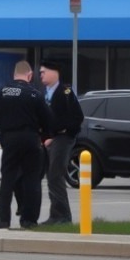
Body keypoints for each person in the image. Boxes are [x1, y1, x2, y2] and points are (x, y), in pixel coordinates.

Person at [0, 60, 53, 229]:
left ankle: (4, 219)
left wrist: (2, 123)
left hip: (9, 139)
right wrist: (43, 136)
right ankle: (29, 220)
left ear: (14, 75)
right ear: (29, 75)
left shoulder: (3, 92)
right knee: (32, 180)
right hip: (30, 140)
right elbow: (49, 120)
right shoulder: (35, 94)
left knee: (7, 179)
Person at [39, 59, 84, 225]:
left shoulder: (65, 91)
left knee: (55, 175)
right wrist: (46, 137)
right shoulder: (45, 93)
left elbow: (77, 116)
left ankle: (63, 216)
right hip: (52, 139)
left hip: (64, 138)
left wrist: (64, 131)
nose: (41, 75)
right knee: (52, 176)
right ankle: (55, 215)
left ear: (54, 72)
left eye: (44, 72)